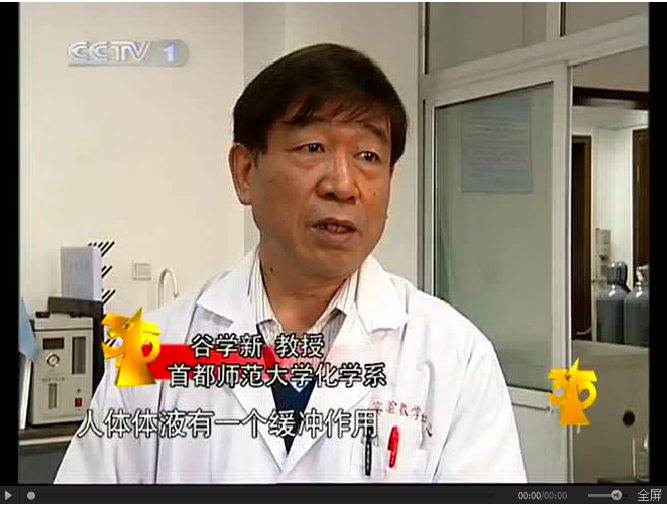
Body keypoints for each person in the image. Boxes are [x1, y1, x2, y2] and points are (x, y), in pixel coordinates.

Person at [55, 43, 527, 484]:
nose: (343, 185)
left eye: (368, 156)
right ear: (245, 172)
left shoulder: (453, 357)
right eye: (312, 148)